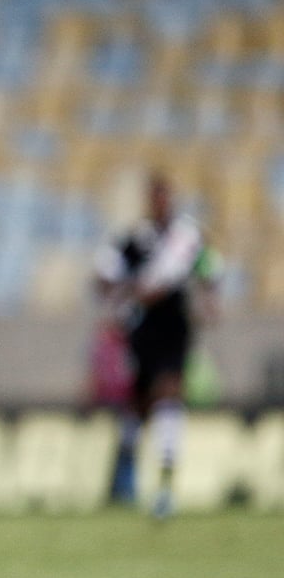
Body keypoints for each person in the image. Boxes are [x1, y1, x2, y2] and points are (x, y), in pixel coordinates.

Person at [94, 172, 220, 518]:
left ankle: (165, 486)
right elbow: (106, 275)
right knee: (138, 403)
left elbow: (207, 265)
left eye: (165, 196)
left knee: (169, 392)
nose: (161, 202)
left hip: (174, 326)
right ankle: (124, 480)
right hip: (142, 327)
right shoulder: (136, 238)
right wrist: (121, 297)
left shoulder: (186, 236)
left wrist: (209, 299)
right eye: (156, 197)